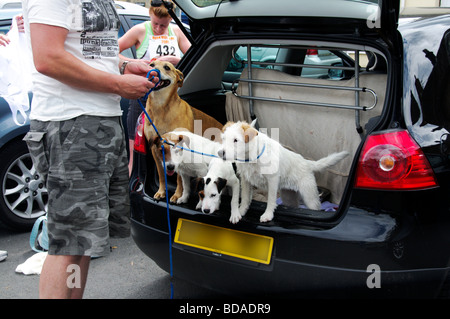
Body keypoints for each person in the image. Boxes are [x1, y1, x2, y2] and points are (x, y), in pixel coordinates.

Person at [22, 0, 159, 299]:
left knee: (82, 242)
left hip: (100, 122)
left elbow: (93, 52)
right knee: (68, 243)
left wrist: (124, 64)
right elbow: (48, 58)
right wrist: (118, 84)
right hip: (70, 124)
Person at [118, 0, 191, 175]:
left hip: (169, 101)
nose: (158, 28)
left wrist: (175, 61)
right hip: (144, 96)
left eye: (163, 25)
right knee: (136, 154)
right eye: (155, 24)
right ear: (150, 15)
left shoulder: (177, 32)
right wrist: (135, 63)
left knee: (171, 147)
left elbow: (192, 56)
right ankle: (136, 186)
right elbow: (114, 51)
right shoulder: (140, 30)